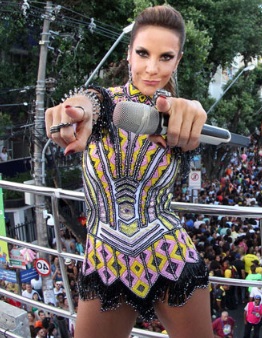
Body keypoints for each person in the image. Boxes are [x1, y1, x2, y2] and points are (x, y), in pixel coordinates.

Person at [44, 6, 211, 337]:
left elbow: (188, 116)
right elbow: (87, 102)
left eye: (166, 57)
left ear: (177, 61)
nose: (152, 68)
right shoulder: (108, 104)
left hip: (171, 255)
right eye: (143, 53)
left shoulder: (176, 117)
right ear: (129, 54)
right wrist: (73, 112)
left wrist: (193, 110)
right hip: (105, 260)